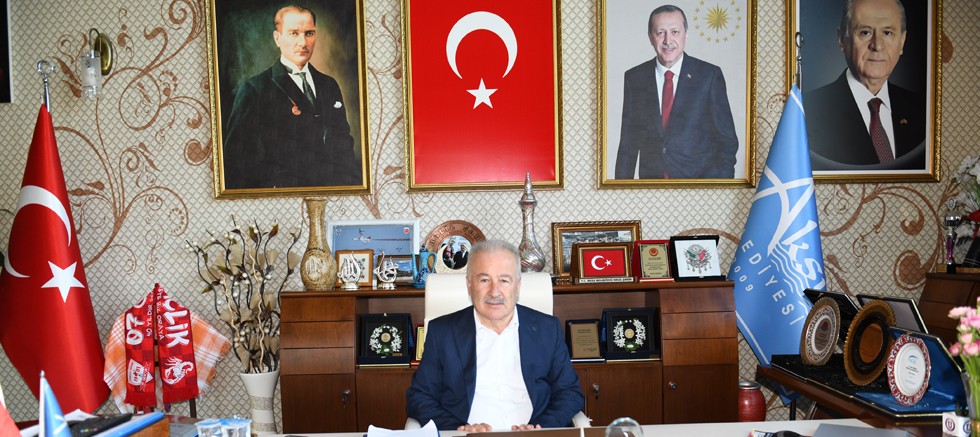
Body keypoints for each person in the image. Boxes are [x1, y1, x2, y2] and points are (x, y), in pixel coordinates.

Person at [406, 240, 584, 431]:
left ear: (517, 285)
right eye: (484, 280)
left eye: (504, 280)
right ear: (469, 285)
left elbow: (570, 393)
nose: (494, 291)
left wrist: (539, 429)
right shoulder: (443, 332)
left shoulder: (547, 329)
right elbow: (419, 396)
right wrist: (460, 429)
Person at [222, 5, 362, 189]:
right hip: (281, 195)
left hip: (331, 192)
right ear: (277, 38)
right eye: (294, 33)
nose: (303, 42)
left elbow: (343, 141)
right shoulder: (254, 89)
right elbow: (237, 160)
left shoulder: (329, 84)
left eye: (309, 33)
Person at [615, 5, 739, 180]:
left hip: (698, 186)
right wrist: (620, 190)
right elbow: (628, 144)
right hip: (651, 188)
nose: (668, 40)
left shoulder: (709, 76)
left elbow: (727, 142)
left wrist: (716, 187)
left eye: (675, 32)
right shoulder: (635, 78)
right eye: (660, 33)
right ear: (650, 37)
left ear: (685, 34)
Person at [805, 0, 925, 169]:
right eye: (865, 32)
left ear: (902, 41)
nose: (877, 45)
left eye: (887, 33)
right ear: (842, 39)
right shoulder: (808, 110)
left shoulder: (922, 110)